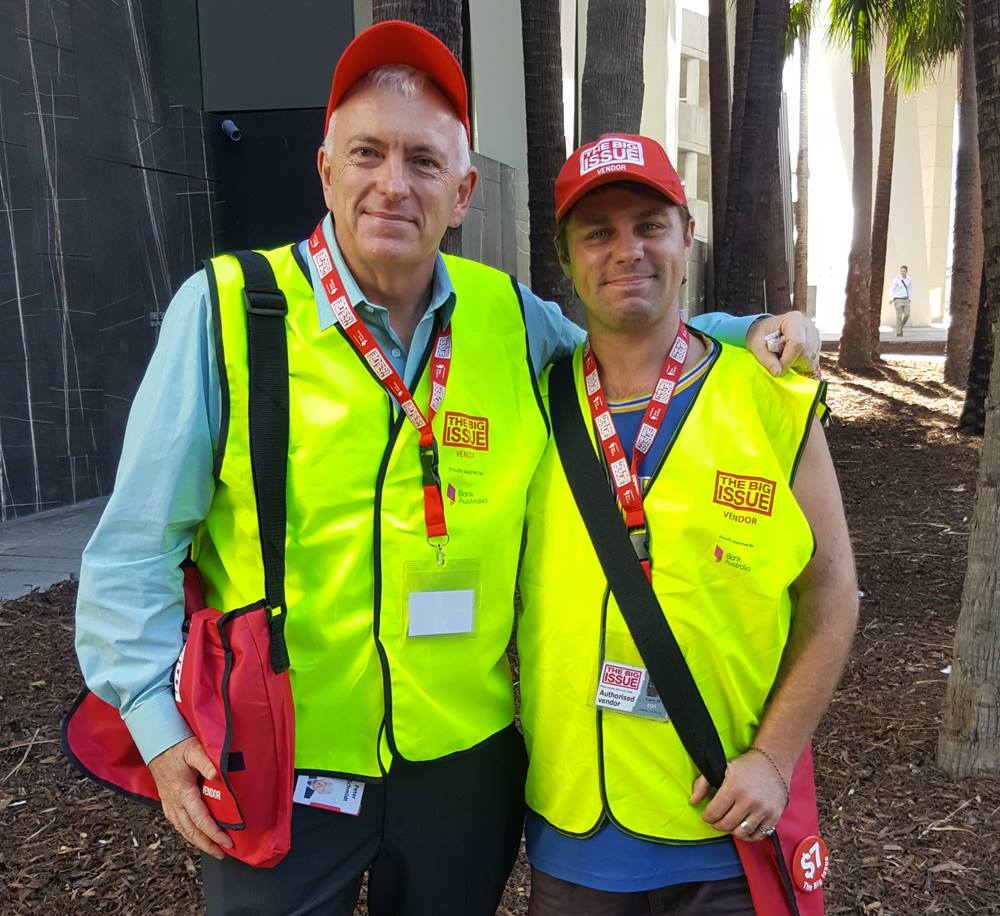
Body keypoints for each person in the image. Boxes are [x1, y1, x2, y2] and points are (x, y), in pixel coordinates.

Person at [74, 22, 822, 916]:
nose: (394, 183)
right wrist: (159, 734)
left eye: (424, 162)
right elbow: (131, 557)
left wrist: (755, 334)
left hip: (462, 775)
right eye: (368, 153)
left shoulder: (511, 321)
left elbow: (629, 341)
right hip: (279, 762)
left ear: (464, 191)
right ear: (324, 170)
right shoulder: (232, 312)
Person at [516, 134, 859, 914]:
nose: (625, 250)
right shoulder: (530, 403)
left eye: (648, 225)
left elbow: (834, 592)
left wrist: (774, 760)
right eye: (597, 233)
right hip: (575, 837)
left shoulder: (770, 397)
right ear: (566, 260)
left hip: (724, 828)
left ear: (685, 236)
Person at [890, 265, 912, 337]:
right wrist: (891, 298)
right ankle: (899, 332)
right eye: (901, 271)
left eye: (904, 271)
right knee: (899, 316)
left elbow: (909, 289)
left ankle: (900, 327)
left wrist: (910, 298)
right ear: (900, 271)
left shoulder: (909, 279)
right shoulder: (896, 279)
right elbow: (892, 289)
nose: (903, 272)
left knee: (907, 314)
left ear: (906, 271)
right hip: (898, 299)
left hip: (906, 299)